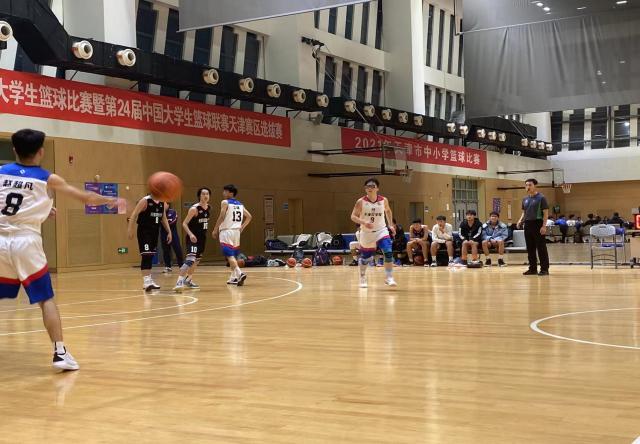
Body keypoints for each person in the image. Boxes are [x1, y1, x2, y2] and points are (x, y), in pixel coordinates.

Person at [0, 129, 117, 370]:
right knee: (45, 299)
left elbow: (12, 201)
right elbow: (86, 198)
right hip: (26, 242)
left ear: (14, 150)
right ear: (41, 152)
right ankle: (60, 353)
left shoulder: (1, 172)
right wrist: (110, 200)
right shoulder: (47, 178)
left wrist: (40, 209)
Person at [350, 178, 397, 288]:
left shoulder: (383, 200)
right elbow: (353, 216)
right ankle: (362, 277)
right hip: (367, 233)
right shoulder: (361, 201)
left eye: (372, 186)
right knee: (366, 258)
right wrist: (364, 222)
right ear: (365, 189)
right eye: (368, 186)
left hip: (381, 230)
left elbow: (388, 211)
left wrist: (390, 225)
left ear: (377, 188)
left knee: (388, 252)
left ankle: (389, 277)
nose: (370, 188)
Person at [128, 189, 171, 291]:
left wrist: (169, 232)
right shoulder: (145, 200)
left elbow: (163, 218)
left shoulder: (162, 203)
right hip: (144, 232)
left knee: (150, 255)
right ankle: (146, 281)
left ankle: (149, 280)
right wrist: (130, 229)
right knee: (146, 255)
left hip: (154, 233)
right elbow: (134, 214)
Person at [212, 184, 252, 285]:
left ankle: (239, 273)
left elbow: (222, 217)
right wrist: (242, 227)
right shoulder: (240, 204)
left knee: (229, 255)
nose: (223, 193)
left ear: (231, 193)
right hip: (236, 233)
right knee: (233, 255)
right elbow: (249, 217)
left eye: (225, 191)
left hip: (226, 231)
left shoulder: (225, 202)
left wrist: (215, 229)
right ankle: (233, 278)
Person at [174, 188, 210, 292]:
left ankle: (188, 280)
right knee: (190, 259)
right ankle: (179, 282)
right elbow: (184, 223)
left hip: (202, 239)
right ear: (199, 196)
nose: (205, 196)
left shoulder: (208, 208)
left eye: (207, 194)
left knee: (196, 261)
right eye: (203, 194)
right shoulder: (194, 209)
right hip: (193, 239)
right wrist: (190, 234)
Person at [517, 178, 550, 276]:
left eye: (530, 185)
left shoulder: (541, 198)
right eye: (526, 185)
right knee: (530, 248)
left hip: (538, 223)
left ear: (535, 186)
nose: (528, 187)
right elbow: (524, 212)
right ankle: (532, 269)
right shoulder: (525, 199)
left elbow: (545, 213)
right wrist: (520, 220)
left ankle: (544, 269)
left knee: (541, 248)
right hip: (527, 224)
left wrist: (544, 226)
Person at [161, 204, 184, 273]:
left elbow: (173, 221)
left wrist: (164, 222)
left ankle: (181, 265)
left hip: (173, 234)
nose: (163, 205)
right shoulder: (160, 213)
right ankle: (168, 266)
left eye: (164, 204)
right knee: (166, 250)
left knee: (177, 249)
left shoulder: (173, 212)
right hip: (163, 234)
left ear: (168, 205)